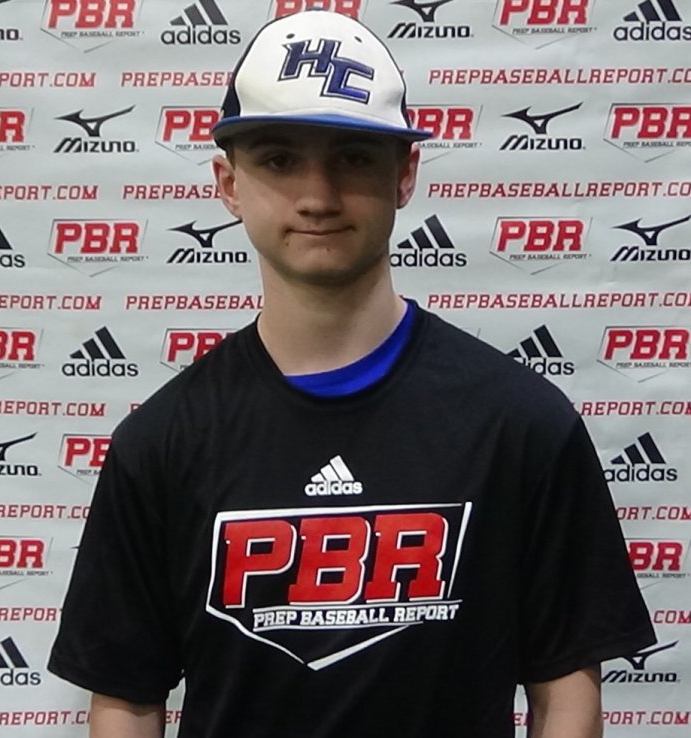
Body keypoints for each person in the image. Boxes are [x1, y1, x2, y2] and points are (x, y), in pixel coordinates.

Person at [48, 10, 655, 738]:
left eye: (355, 157)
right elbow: (125, 696)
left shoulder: (521, 423)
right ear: (228, 184)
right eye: (279, 160)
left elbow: (566, 687)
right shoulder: (162, 441)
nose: (318, 195)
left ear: (405, 174)